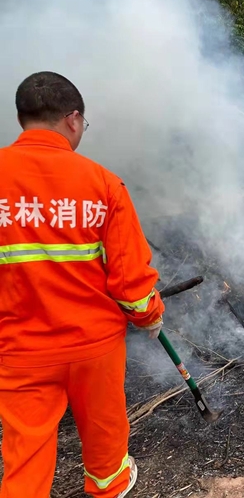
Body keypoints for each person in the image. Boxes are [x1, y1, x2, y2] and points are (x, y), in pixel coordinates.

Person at [0, 72, 165, 496]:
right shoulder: (103, 184)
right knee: (107, 455)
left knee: (25, 465)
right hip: (95, 349)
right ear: (73, 120)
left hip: (19, 351)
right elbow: (131, 281)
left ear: (22, 119)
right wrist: (149, 317)